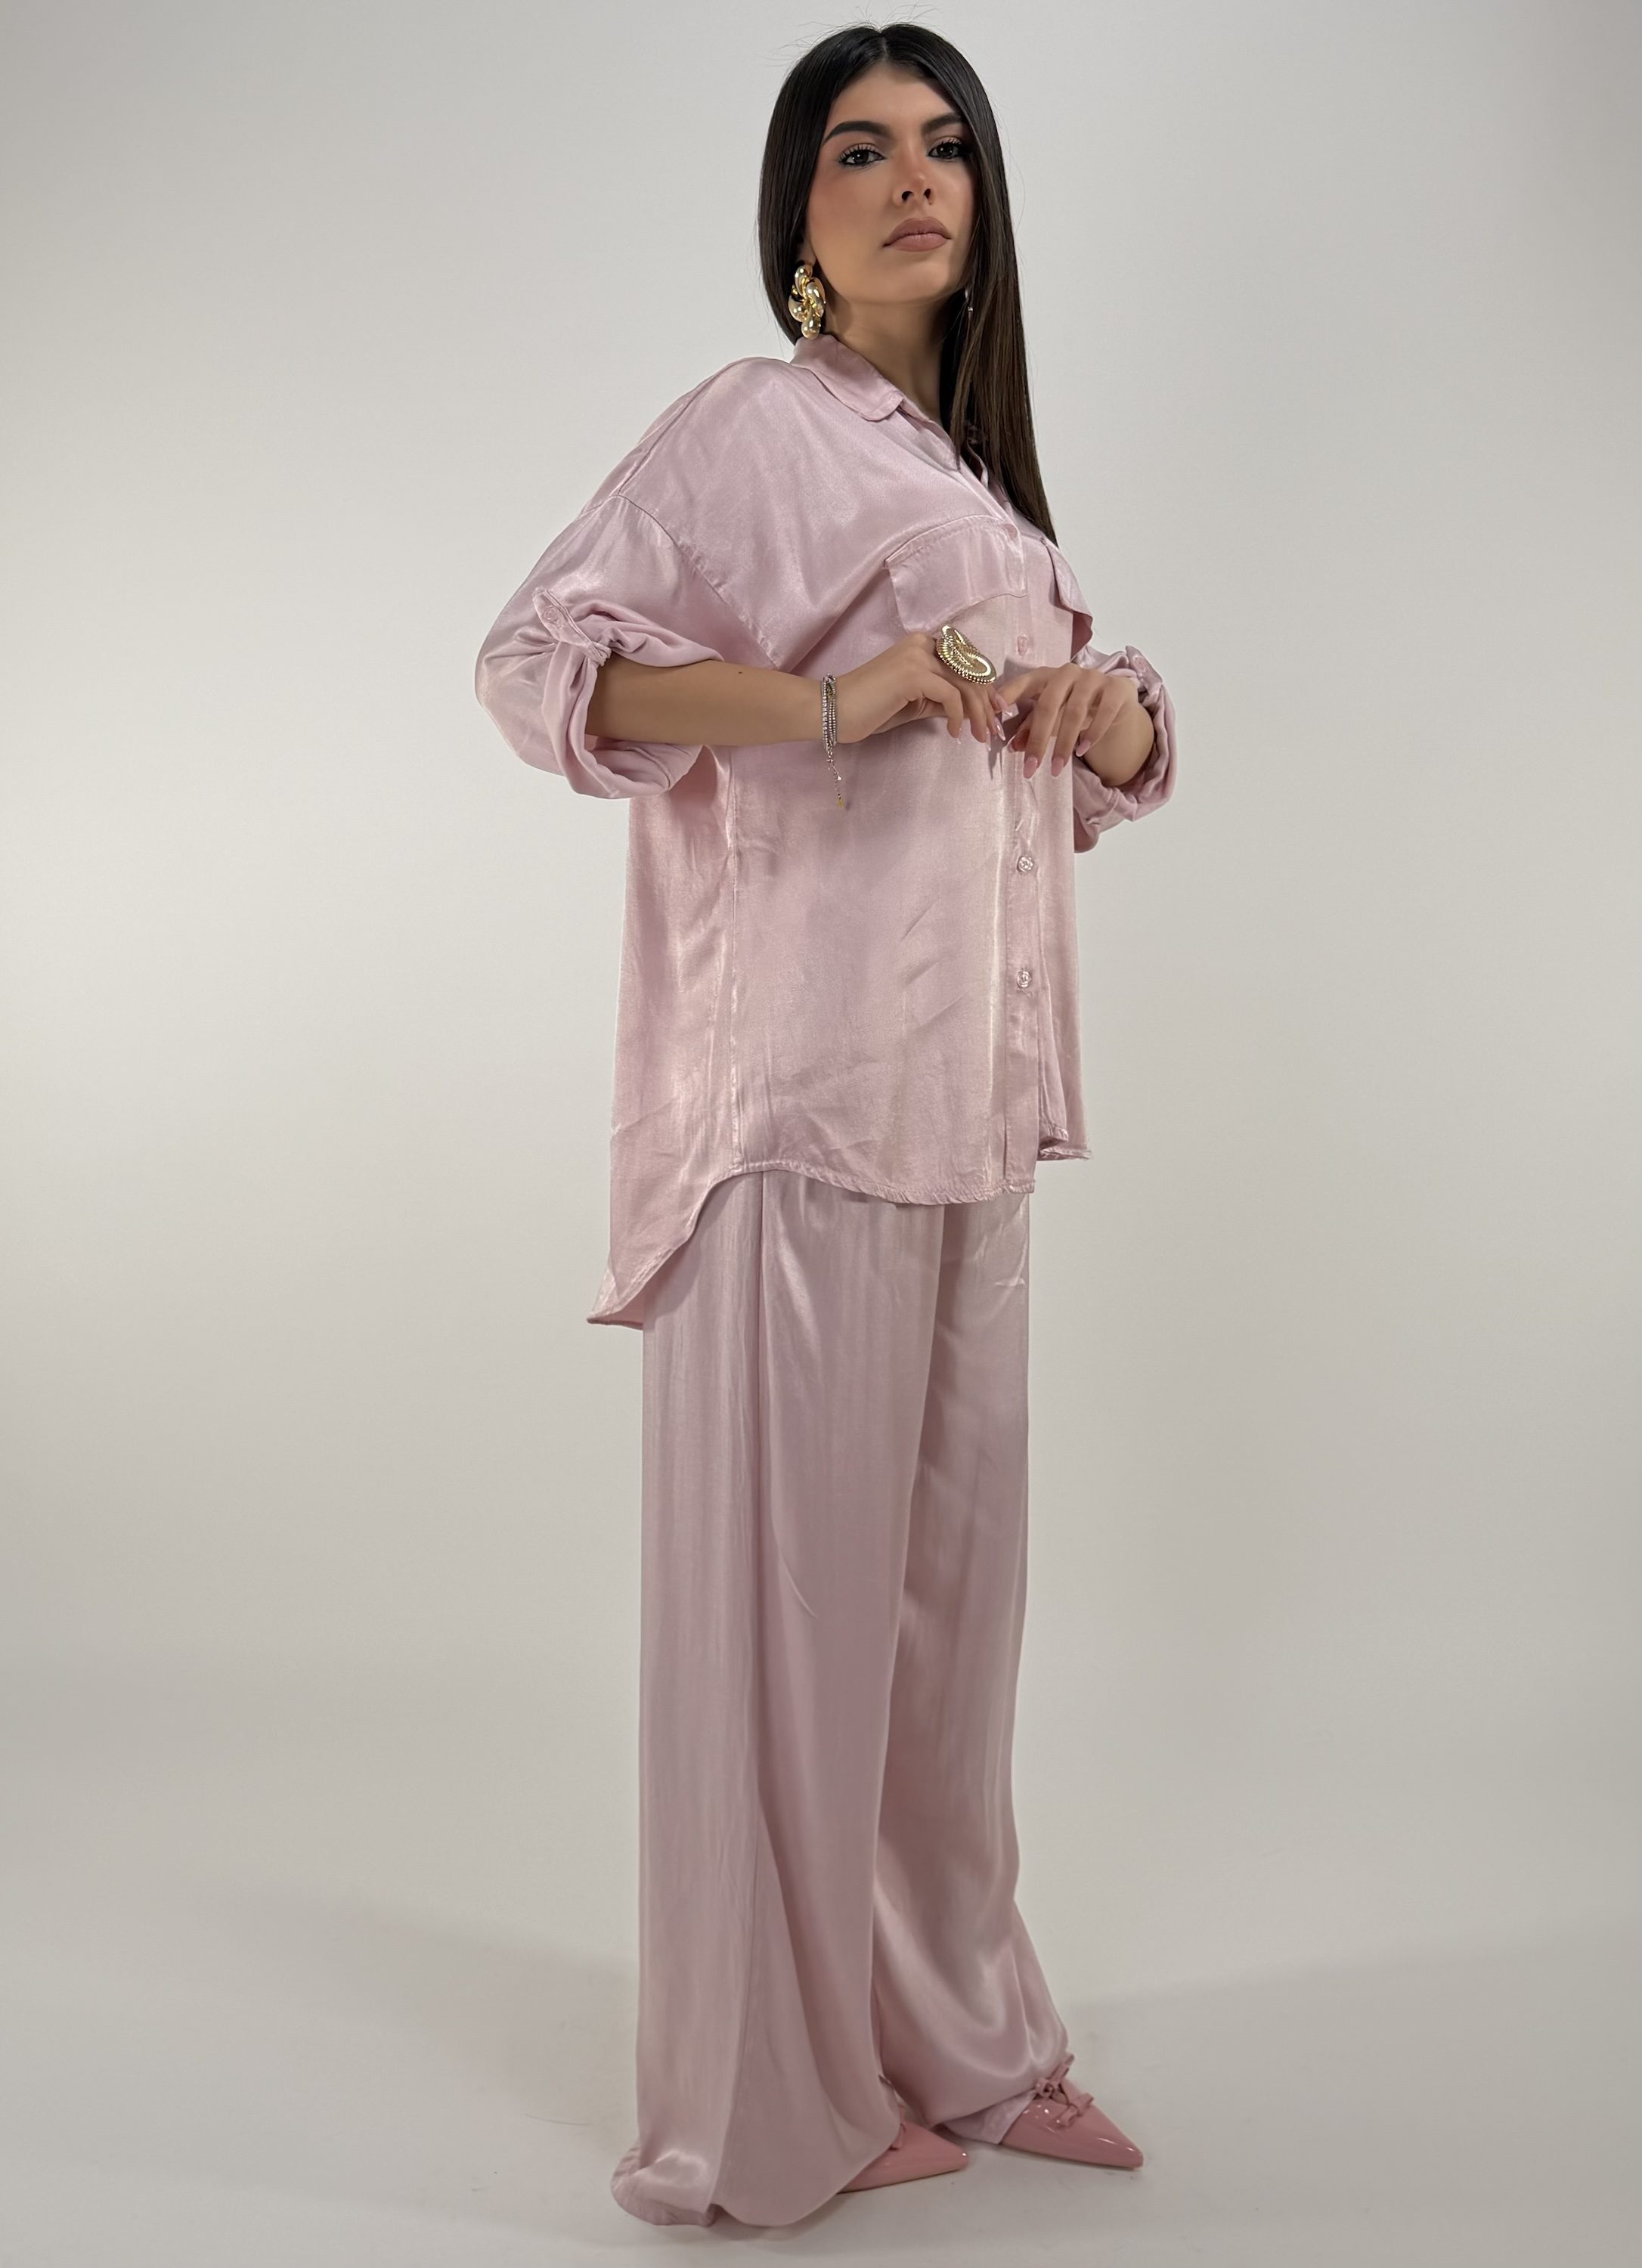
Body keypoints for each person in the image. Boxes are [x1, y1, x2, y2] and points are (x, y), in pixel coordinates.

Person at [473, 20, 1177, 2232]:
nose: (909, 179)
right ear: (796, 209)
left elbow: (1040, 784)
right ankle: (761, 2106)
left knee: (943, 1627)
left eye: (943, 146)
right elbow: (539, 665)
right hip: (795, 1101)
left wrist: (1104, 708)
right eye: (858, 150)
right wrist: (833, 697)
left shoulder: (970, 479)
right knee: (789, 1628)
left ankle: (957, 2037)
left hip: (964, 1106)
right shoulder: (753, 430)